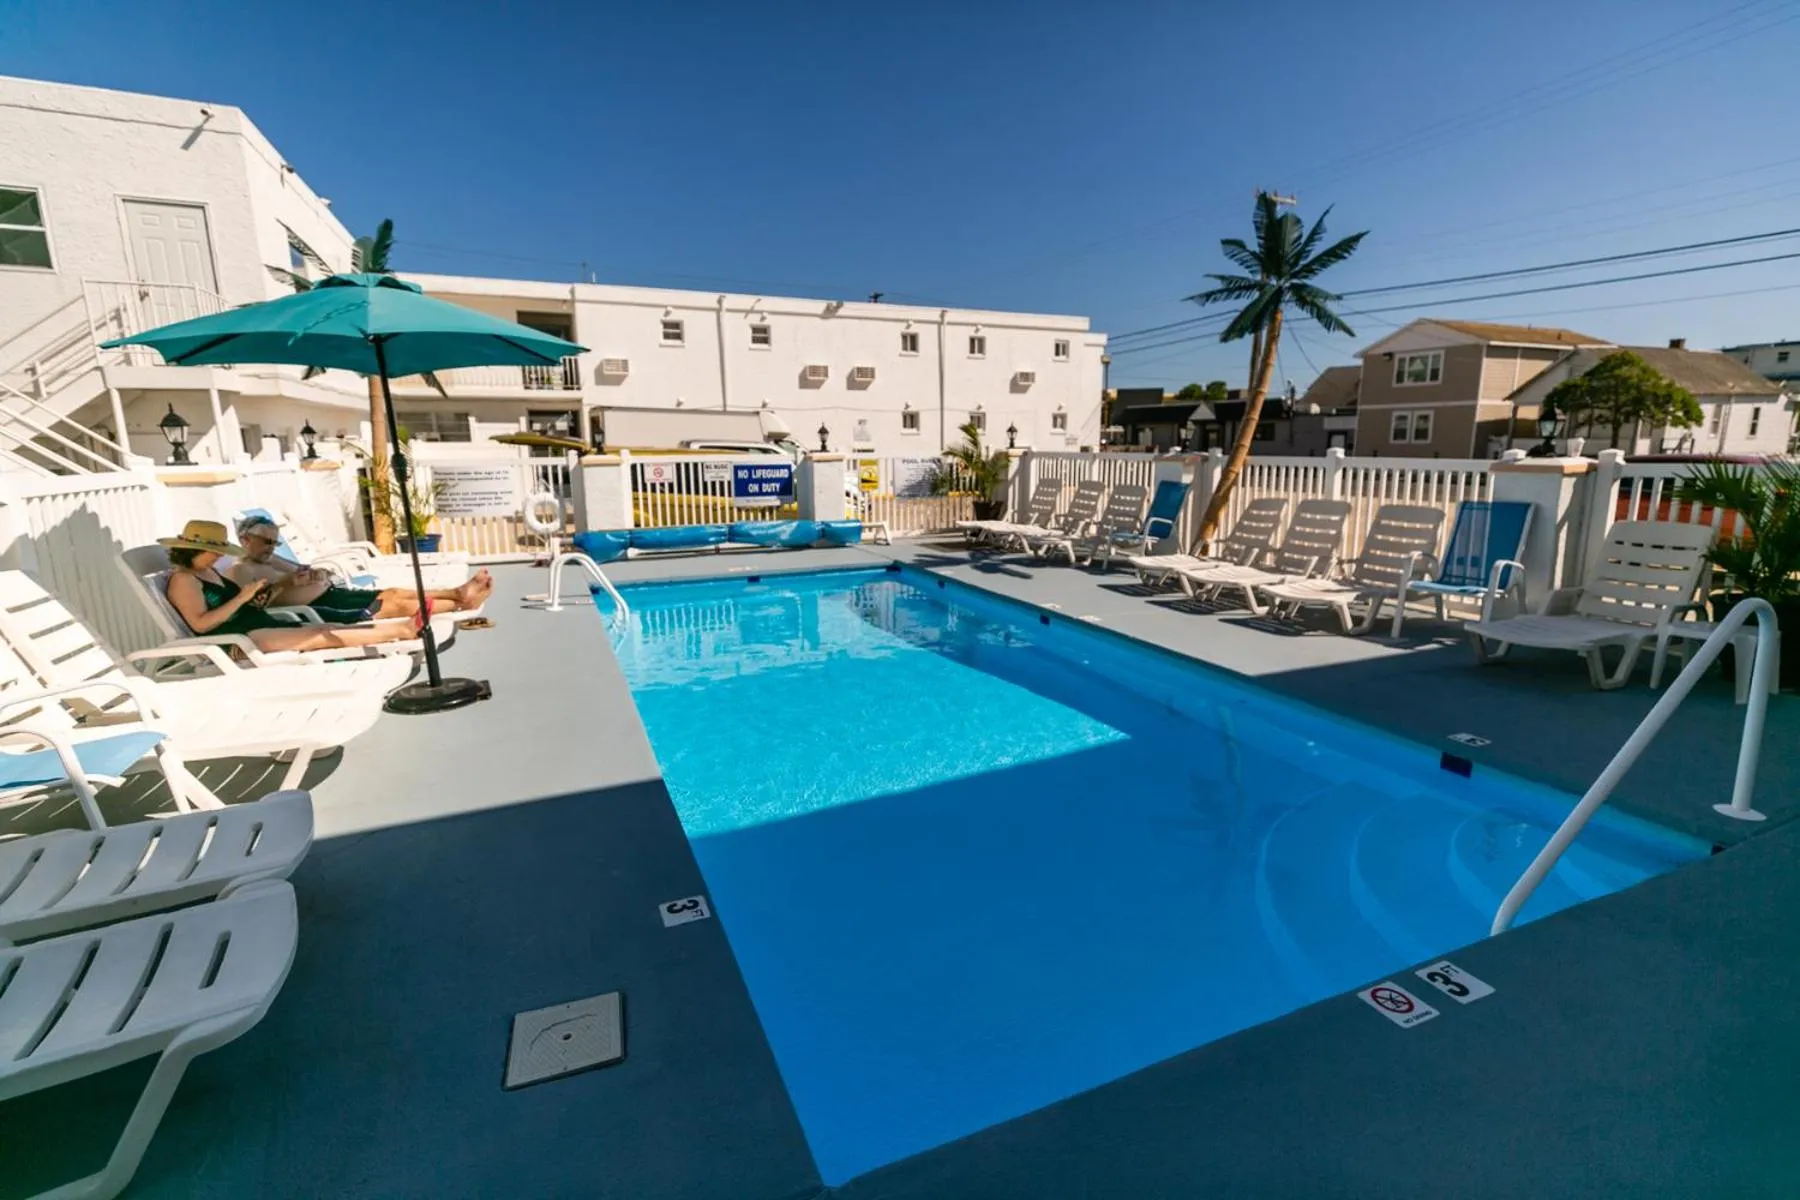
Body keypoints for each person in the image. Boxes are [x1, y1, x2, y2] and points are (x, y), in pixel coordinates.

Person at [161, 520, 423, 654]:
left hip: (255, 623)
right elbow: (200, 625)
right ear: (192, 550)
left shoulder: (208, 570)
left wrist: (257, 597)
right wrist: (241, 598)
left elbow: (235, 605)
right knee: (322, 636)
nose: (218, 556)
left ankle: (401, 629)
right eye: (212, 551)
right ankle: (403, 630)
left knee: (327, 628)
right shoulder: (184, 580)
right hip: (240, 641)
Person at [228, 517, 492, 621]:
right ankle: (459, 603)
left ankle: (456, 593)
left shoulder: (267, 560)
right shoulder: (241, 570)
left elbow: (301, 569)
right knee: (391, 606)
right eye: (266, 542)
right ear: (246, 540)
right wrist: (288, 581)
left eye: (275, 542)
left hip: (328, 594)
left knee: (392, 592)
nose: (272, 547)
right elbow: (256, 604)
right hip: (315, 611)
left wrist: (317, 573)